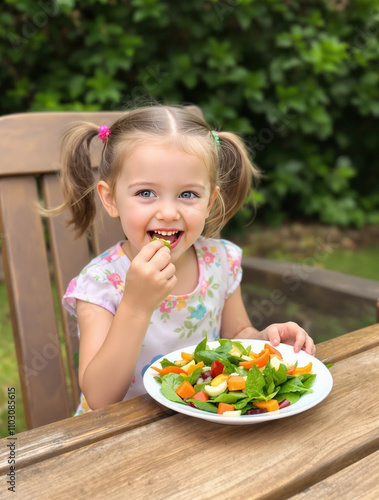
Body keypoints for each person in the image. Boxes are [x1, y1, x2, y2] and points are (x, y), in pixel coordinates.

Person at [53, 104, 315, 415]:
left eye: (188, 194)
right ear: (110, 199)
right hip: (116, 436)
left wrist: (267, 340)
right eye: (146, 193)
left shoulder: (219, 260)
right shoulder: (99, 284)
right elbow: (100, 399)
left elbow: (237, 335)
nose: (168, 212)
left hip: (198, 422)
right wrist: (136, 305)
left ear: (210, 202)